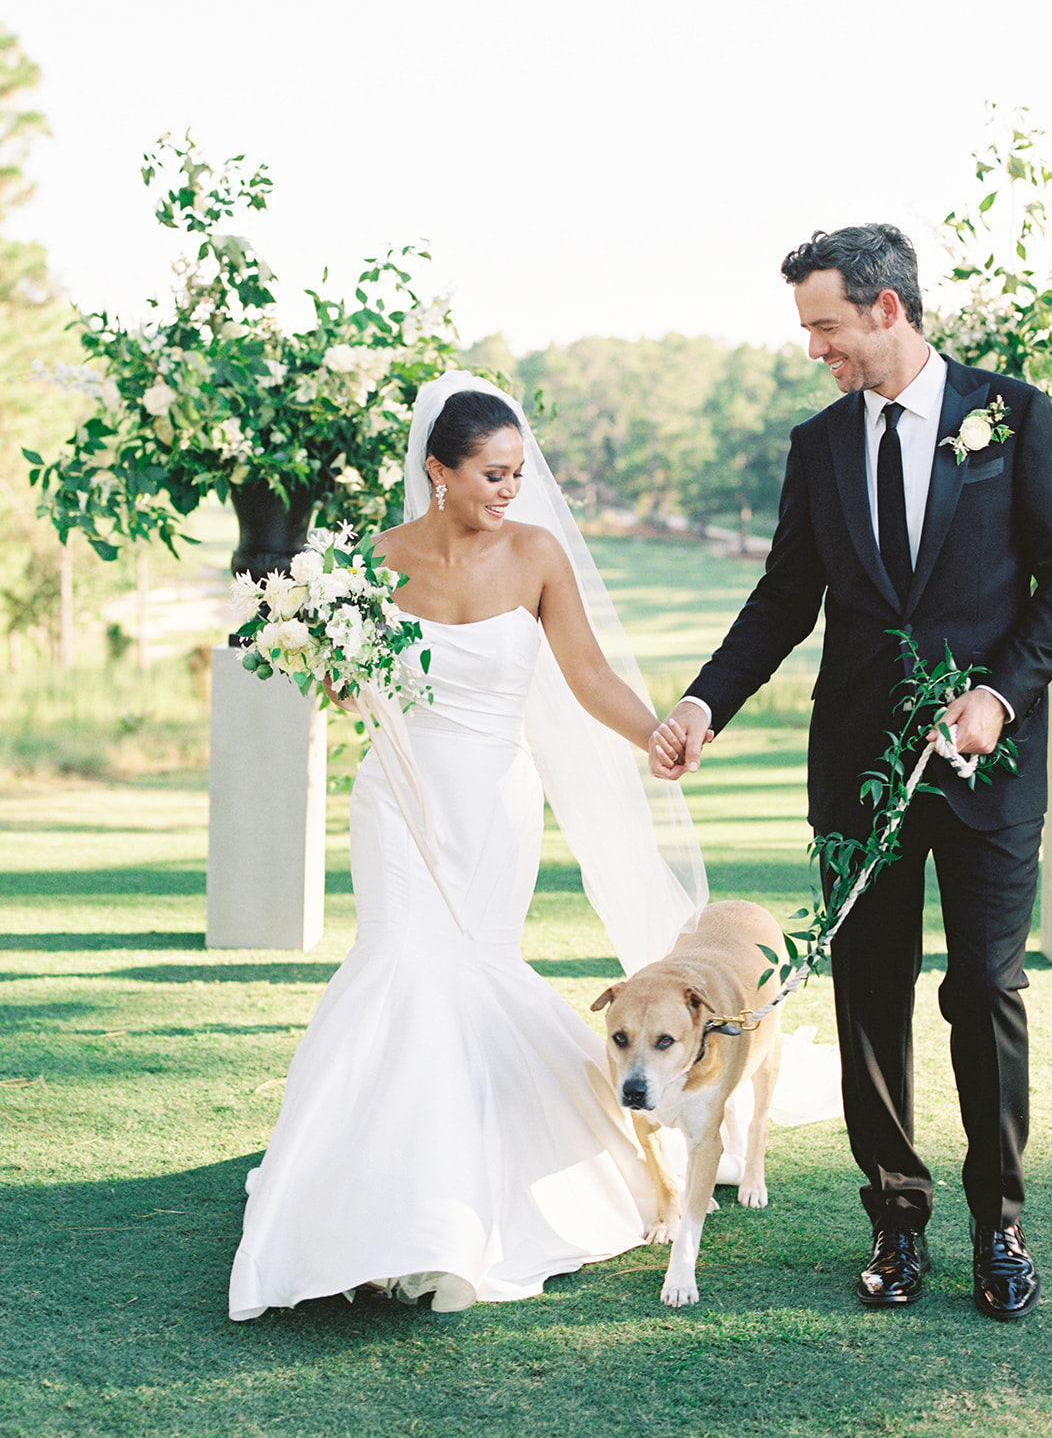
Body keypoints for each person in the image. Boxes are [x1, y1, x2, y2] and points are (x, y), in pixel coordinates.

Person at [650, 224, 1052, 1320]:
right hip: (856, 772)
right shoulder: (814, 447)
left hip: (986, 766)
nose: (813, 348)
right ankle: (896, 1221)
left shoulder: (1010, 413)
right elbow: (780, 601)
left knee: (982, 987)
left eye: (824, 325)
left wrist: (996, 695)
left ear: (886, 310)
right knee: (865, 998)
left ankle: (999, 1224)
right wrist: (704, 700)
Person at [228, 370, 718, 1317]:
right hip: (397, 803)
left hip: (494, 803)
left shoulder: (536, 556)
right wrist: (325, 658)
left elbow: (584, 674)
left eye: (516, 473)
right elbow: (343, 690)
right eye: (491, 474)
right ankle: (388, 1208)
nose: (507, 491)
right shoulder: (373, 560)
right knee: (400, 964)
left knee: (471, 970)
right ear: (438, 471)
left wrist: (652, 731)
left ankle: (464, 1203)